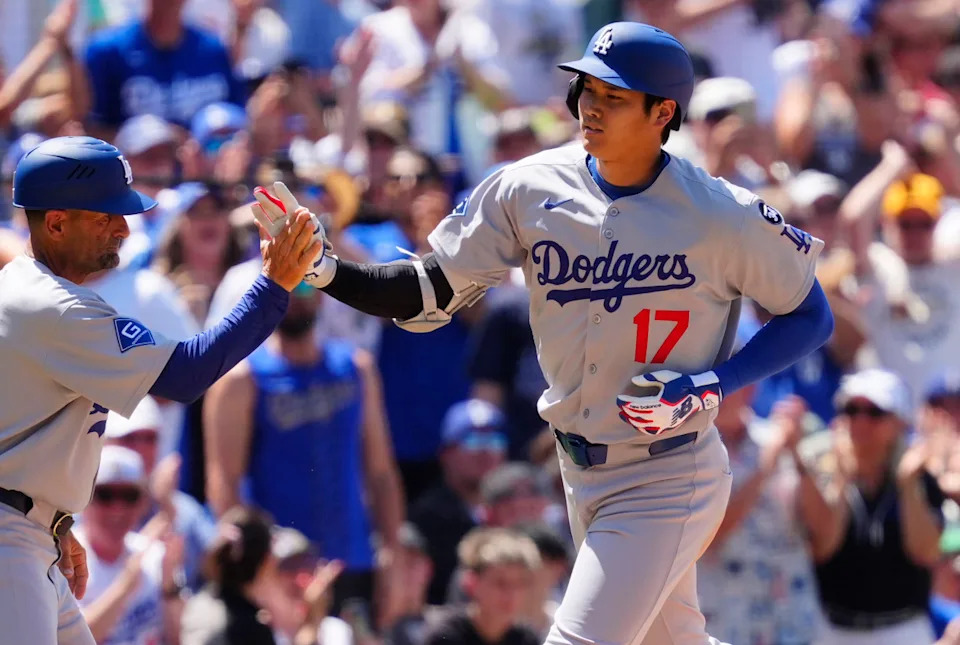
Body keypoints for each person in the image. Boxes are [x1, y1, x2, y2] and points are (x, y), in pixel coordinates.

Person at [255, 20, 834, 644]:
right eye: (586, 88)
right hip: (580, 471)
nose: (590, 106)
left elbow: (811, 315)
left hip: (669, 472)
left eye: (613, 96)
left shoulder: (721, 212)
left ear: (663, 111)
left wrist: (717, 383)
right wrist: (324, 269)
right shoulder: (527, 187)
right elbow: (428, 289)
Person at [0, 135, 320, 645]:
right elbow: (188, 374)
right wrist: (274, 284)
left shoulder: (27, 291)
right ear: (57, 222)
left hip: (28, 532)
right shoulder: (50, 306)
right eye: (105, 216)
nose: (124, 229)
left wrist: (52, 518)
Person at [203, 285, 404, 621]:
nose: (296, 297)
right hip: (279, 571)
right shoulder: (242, 380)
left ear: (323, 293)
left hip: (351, 560)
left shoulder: (356, 368)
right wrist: (253, 573)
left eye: (306, 286)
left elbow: (381, 472)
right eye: (286, 288)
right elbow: (224, 485)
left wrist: (392, 555)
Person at [797, 369, 944, 644]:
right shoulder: (823, 472)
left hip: (904, 631)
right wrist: (841, 477)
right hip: (836, 631)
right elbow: (822, 549)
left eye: (875, 412)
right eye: (851, 410)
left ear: (899, 422)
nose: (861, 421)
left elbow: (926, 553)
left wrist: (909, 485)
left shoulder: (920, 477)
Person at [73, 445, 184, 645]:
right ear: (83, 500)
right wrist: (125, 587)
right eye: (105, 495)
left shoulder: (155, 555)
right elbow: (69, 641)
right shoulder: (62, 559)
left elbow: (180, 639)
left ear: (143, 503)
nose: (117, 509)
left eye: (129, 496)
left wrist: (170, 586)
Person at [103, 397, 216, 591]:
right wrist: (165, 513)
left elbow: (217, 568)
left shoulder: (184, 510)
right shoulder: (82, 506)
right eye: (129, 438)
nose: (141, 449)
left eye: (149, 439)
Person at [408, 399, 508, 605]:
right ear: (446, 453)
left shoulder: (511, 509)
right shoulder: (427, 518)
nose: (486, 451)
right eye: (473, 441)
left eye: (494, 440)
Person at [424, 527, 541, 645]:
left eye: (520, 583)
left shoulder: (527, 639)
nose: (512, 594)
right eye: (501, 583)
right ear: (472, 583)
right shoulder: (446, 636)